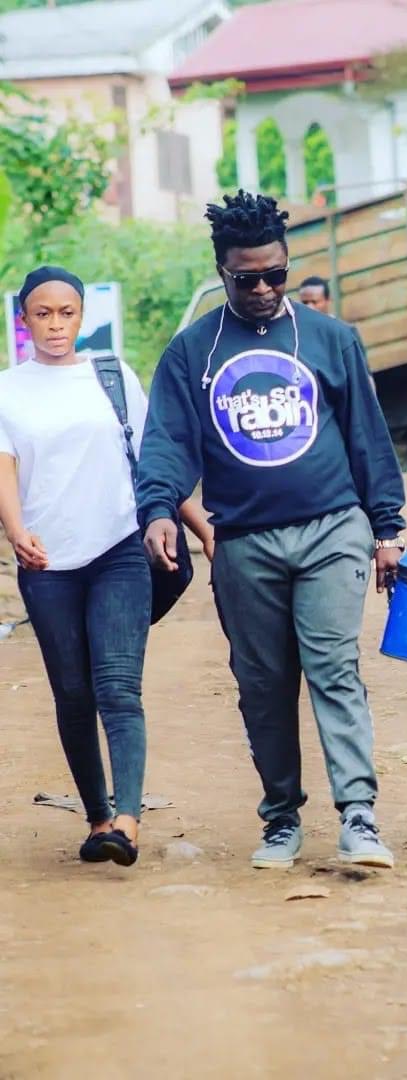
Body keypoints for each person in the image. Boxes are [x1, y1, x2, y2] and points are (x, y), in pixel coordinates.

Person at [136, 190, 407, 871]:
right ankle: (282, 817)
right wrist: (159, 509)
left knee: (333, 667)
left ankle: (359, 815)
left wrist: (386, 529)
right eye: (245, 279)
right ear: (221, 272)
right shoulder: (192, 353)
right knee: (262, 684)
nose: (262, 289)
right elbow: (168, 442)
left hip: (331, 530)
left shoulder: (332, 339)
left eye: (275, 275)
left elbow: (369, 439)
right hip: (244, 542)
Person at [0, 266, 213, 867]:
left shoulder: (112, 375)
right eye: (43, 314)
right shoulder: (7, 390)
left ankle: (128, 821)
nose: (56, 324)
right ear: (24, 319)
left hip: (120, 550)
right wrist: (16, 532)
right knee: (73, 694)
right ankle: (97, 818)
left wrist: (202, 528)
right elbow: (4, 470)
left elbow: (153, 462)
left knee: (118, 687)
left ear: (81, 316)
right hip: (47, 563)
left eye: (67, 313)